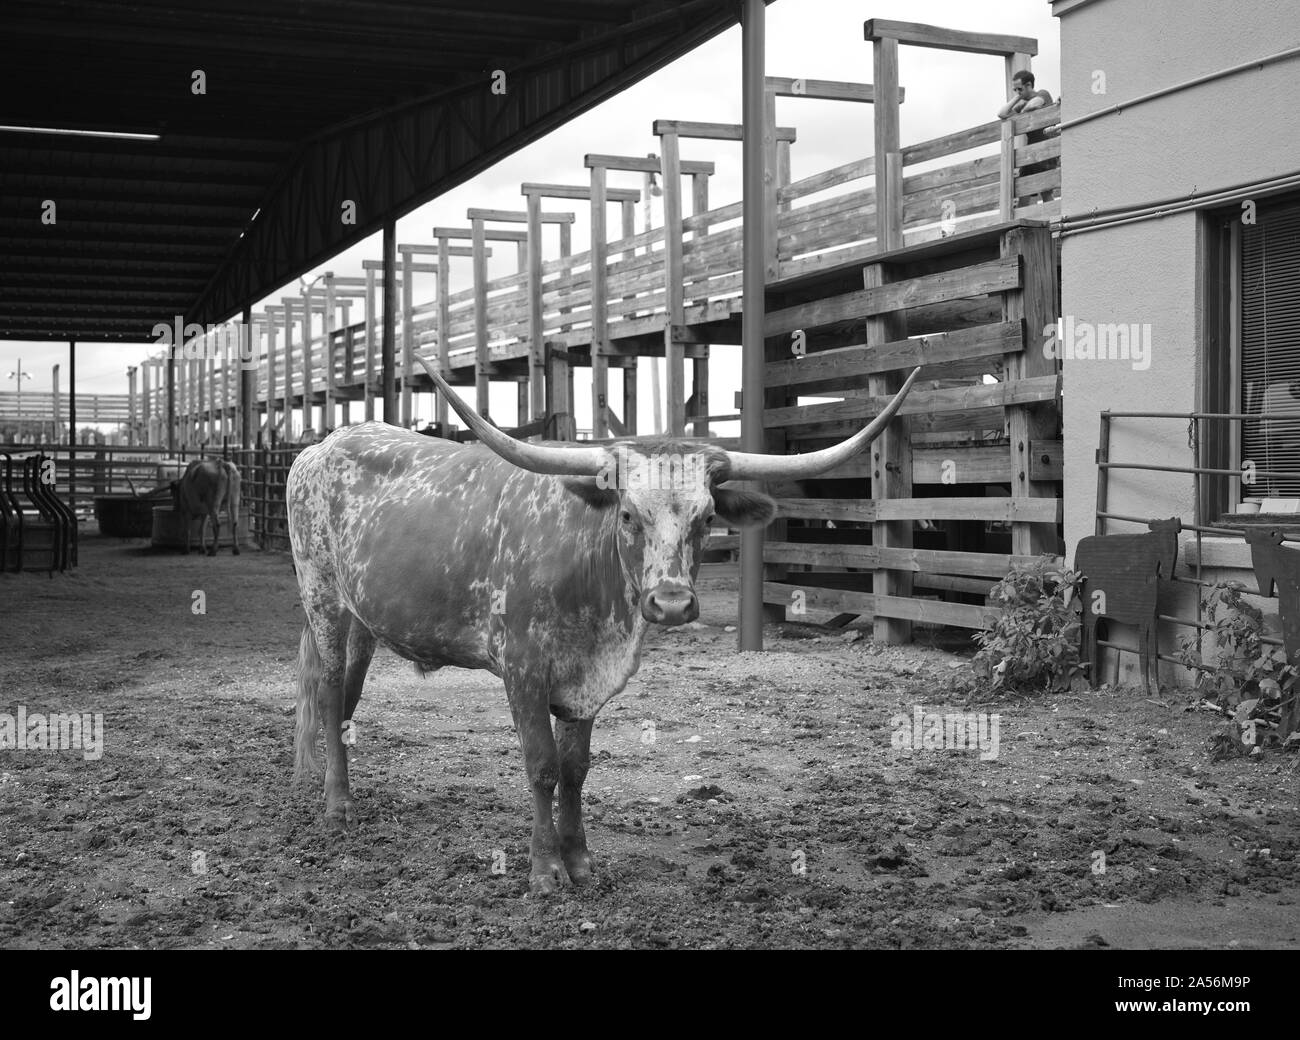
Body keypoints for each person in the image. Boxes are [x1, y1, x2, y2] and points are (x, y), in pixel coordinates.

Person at [998, 70, 1057, 206]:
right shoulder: (1022, 101)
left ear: (1029, 85)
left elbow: (1034, 104)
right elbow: (1002, 113)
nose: (1017, 92)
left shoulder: (1043, 94)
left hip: (1046, 151)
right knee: (1023, 191)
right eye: (1015, 89)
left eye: (1020, 89)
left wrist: (1022, 108)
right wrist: (1018, 97)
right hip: (1030, 154)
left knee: (1046, 192)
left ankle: (1053, 220)